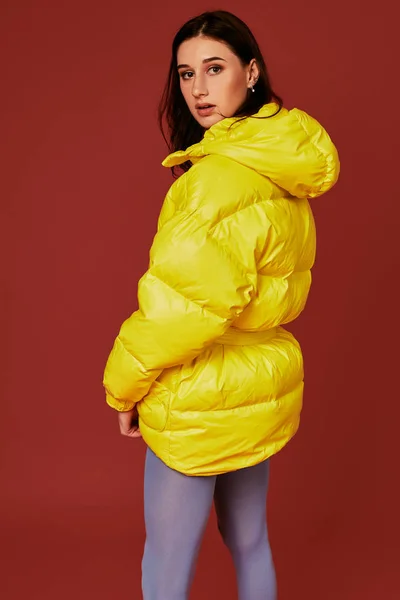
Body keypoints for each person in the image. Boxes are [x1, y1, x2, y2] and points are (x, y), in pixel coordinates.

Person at [102, 9, 340, 600]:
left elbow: (182, 310)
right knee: (251, 541)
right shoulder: (280, 161)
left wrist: (123, 387)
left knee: (166, 564)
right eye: (185, 75)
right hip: (257, 387)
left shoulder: (217, 179)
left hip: (200, 394)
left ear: (251, 71)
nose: (199, 90)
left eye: (215, 68)